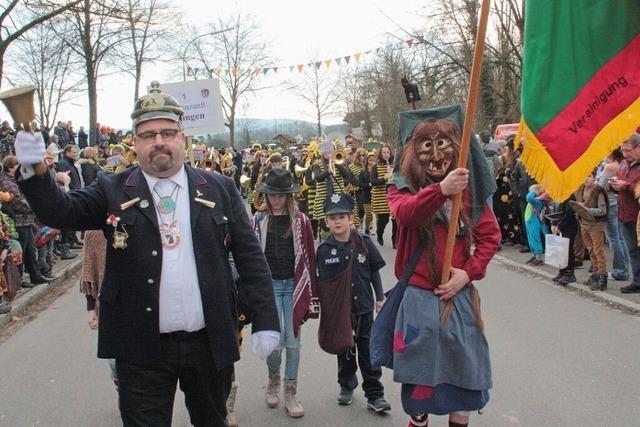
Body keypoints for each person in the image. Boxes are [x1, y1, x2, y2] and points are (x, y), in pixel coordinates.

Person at [14, 81, 280, 426]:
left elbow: (250, 258)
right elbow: (61, 212)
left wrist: (266, 319)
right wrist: (35, 171)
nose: (159, 141)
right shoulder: (112, 188)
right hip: (139, 347)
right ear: (135, 142)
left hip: (209, 342)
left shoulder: (218, 187)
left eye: (168, 132)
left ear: (182, 137)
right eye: (148, 134)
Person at [387, 117, 499, 427]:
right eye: (427, 147)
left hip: (458, 298)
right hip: (418, 298)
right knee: (420, 379)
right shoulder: (400, 187)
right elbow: (406, 215)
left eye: (443, 145)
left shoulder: (469, 192)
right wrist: (440, 190)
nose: (436, 155)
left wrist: (468, 273)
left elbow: (491, 237)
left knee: (464, 375)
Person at [316, 193, 391, 414]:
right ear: (326, 222)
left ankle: (375, 394)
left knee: (368, 353)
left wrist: (379, 297)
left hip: (365, 309)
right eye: (332, 217)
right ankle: (346, 385)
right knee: (345, 351)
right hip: (341, 313)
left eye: (342, 216)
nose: (337, 221)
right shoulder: (323, 251)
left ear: (351, 219)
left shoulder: (364, 243)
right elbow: (322, 284)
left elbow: (374, 272)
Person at [252, 168, 318, 418]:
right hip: (268, 286)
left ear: (289, 196)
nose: (277, 199)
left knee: (292, 340)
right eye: (272, 195)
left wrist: (313, 293)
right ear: (266, 196)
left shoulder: (300, 220)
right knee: (273, 341)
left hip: (293, 284)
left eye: (281, 195)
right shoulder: (257, 221)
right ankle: (273, 379)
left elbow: (309, 256)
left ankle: (290, 391)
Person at [611, 133, 640, 293]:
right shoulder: (623, 164)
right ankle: (637, 280)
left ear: (638, 148)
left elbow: (637, 188)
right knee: (633, 249)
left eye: (628, 150)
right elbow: (620, 181)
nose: (625, 154)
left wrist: (626, 186)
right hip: (625, 212)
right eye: (623, 150)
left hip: (637, 214)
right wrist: (614, 185)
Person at [597, 148, 630, 281]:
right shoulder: (623, 165)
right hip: (618, 203)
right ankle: (624, 268)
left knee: (614, 239)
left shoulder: (610, 167)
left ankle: (620, 270)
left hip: (609, 204)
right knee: (620, 238)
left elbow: (600, 186)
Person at [370, 144, 396, 247]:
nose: (386, 154)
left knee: (395, 220)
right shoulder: (375, 167)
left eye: (387, 152)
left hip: (393, 196)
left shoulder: (395, 166)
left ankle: (395, 241)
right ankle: (379, 233)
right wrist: (384, 179)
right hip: (380, 196)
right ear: (380, 154)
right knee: (383, 219)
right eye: (384, 152)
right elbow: (372, 181)